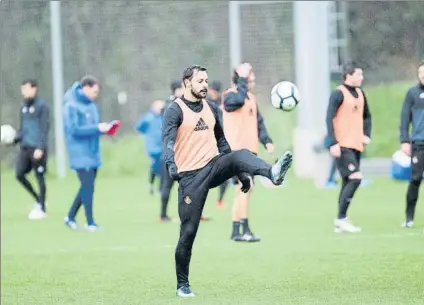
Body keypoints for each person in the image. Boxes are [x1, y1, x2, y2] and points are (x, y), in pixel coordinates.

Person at [162, 64, 292, 297]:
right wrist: (171, 164)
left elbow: (223, 144)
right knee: (188, 233)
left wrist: (240, 173)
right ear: (186, 83)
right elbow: (168, 141)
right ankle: (182, 284)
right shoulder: (175, 109)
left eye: (206, 81)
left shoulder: (211, 108)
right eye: (200, 81)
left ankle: (271, 173)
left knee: (241, 154)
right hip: (190, 178)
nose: (204, 85)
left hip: (212, 166)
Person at [221, 63, 274, 242]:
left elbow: (259, 122)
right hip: (235, 152)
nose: (253, 82)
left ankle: (239, 230)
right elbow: (238, 101)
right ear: (241, 80)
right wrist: (242, 79)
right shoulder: (229, 97)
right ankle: (241, 230)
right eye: (249, 79)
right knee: (244, 188)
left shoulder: (251, 98)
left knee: (246, 190)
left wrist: (266, 141)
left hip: (250, 151)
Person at [326, 61, 372, 233]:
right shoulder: (338, 93)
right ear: (349, 75)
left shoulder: (360, 93)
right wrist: (333, 142)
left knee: (347, 181)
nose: (362, 77)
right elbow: (329, 118)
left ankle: (340, 220)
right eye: (358, 74)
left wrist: (366, 134)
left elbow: (367, 116)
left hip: (355, 145)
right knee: (355, 178)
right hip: (342, 145)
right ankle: (341, 218)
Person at [62, 76, 113, 232]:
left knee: (86, 187)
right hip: (79, 153)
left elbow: (93, 128)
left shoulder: (92, 106)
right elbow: (74, 130)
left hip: (92, 152)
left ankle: (70, 217)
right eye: (94, 91)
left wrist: (105, 129)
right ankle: (90, 223)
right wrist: (97, 128)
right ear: (86, 88)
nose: (96, 94)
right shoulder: (71, 105)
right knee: (88, 187)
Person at [13, 78, 50, 220]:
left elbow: (44, 128)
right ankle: (38, 199)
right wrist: (14, 138)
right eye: (22, 89)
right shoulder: (23, 107)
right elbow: (23, 129)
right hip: (25, 147)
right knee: (19, 174)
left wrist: (40, 147)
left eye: (27, 89)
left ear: (35, 89)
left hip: (38, 148)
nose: (24, 92)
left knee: (39, 176)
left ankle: (42, 208)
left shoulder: (42, 106)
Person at [399, 60, 424, 228]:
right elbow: (405, 118)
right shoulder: (412, 93)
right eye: (421, 73)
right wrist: (404, 140)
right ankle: (409, 218)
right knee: (415, 179)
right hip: (419, 143)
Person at [207, 80, 229, 207]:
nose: (213, 93)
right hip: (208, 142)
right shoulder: (205, 102)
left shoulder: (223, 103)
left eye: (216, 91)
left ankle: (220, 200)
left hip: (220, 141)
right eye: (212, 90)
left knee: (225, 174)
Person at [135, 100, 165, 195]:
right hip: (152, 147)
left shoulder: (164, 117)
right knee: (155, 166)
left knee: (162, 166)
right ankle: (152, 185)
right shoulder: (148, 118)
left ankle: (160, 188)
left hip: (163, 146)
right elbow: (139, 128)